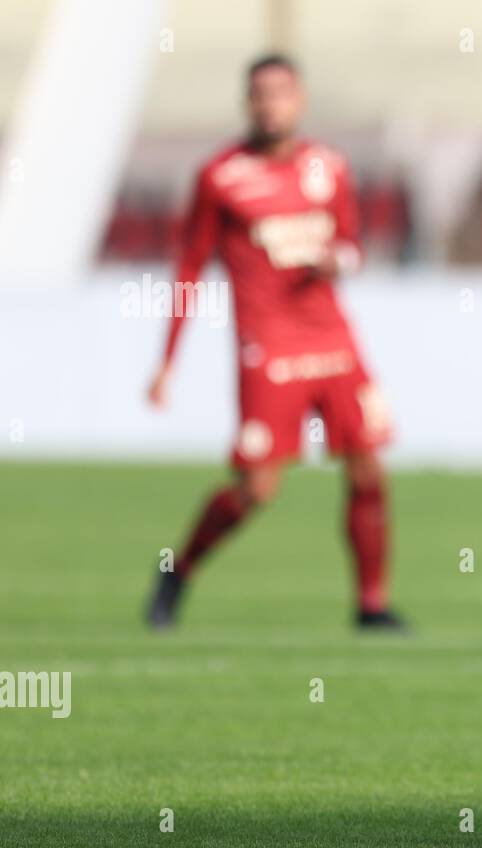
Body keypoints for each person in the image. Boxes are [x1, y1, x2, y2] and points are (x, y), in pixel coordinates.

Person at [146, 54, 402, 632]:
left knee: (368, 472)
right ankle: (179, 571)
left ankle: (372, 606)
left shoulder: (329, 167)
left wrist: (337, 259)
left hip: (332, 338)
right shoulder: (221, 176)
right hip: (270, 349)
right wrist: (167, 362)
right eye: (260, 94)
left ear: (300, 100)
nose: (270, 104)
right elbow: (189, 265)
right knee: (257, 488)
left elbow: (352, 245)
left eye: (280, 93)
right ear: (247, 103)